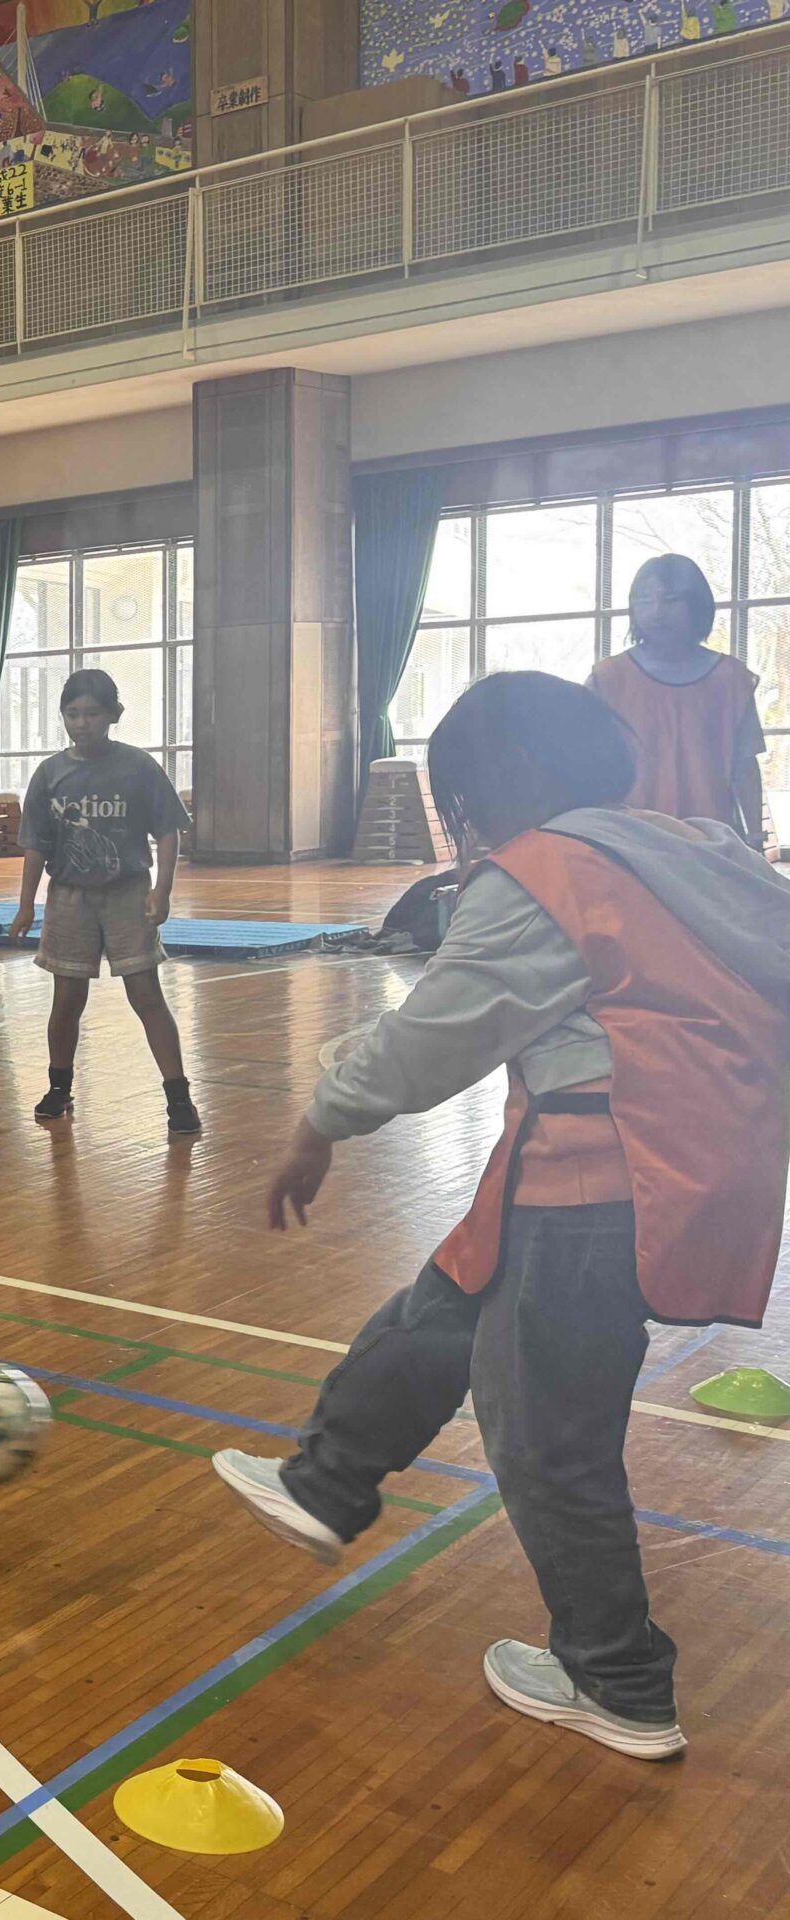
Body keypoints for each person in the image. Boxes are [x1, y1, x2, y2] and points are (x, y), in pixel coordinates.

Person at [214, 672, 790, 1761]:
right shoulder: (700, 851)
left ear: (505, 780)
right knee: (448, 1302)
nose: (464, 821)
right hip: (682, 1163)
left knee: (544, 1435)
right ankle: (326, 1481)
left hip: (603, 1171)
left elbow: (432, 1039)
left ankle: (616, 1680)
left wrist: (320, 1121)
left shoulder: (542, 874)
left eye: (464, 796)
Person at [6, 669, 200, 1134]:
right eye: (72, 714)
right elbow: (36, 845)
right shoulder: (50, 775)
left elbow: (168, 831)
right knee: (67, 998)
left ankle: (178, 1096)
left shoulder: (137, 767)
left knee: (146, 994)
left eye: (92, 713)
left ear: (114, 714)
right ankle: (59, 1086)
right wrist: (26, 904)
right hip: (70, 898)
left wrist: (162, 889)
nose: (82, 723)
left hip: (127, 894)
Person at [586, 554, 765, 844]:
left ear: (697, 604)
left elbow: (745, 766)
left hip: (711, 839)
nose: (656, 612)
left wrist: (755, 837)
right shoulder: (607, 678)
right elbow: (589, 765)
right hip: (632, 838)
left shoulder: (731, 679)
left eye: (670, 600)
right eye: (644, 600)